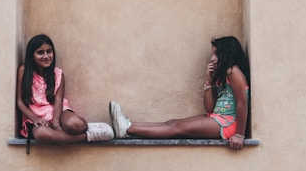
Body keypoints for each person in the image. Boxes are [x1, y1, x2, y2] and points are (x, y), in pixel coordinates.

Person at [109, 36, 250, 150]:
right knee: (172, 123)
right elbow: (209, 109)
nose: (212, 58)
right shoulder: (223, 76)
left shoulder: (234, 71)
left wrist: (239, 135)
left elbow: (242, 103)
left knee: (176, 128)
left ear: (227, 53)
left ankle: (129, 129)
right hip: (218, 118)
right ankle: (129, 125)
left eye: (216, 54)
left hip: (228, 124)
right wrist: (209, 80)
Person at [17, 34, 114, 145]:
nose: (46, 56)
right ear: (31, 57)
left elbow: (58, 101)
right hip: (35, 116)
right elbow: (20, 102)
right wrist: (35, 119)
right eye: (40, 52)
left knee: (78, 125)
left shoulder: (58, 74)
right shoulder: (23, 71)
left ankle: (89, 128)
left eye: (49, 51)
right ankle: (89, 136)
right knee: (42, 135)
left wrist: (56, 124)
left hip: (57, 112)